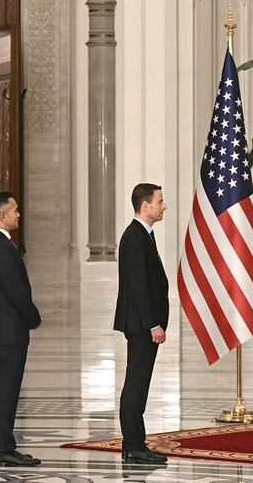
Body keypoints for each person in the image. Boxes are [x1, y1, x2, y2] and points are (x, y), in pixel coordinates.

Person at [0, 192, 42, 467]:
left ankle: (1, 445)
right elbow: (16, 291)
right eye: (15, 210)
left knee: (4, 388)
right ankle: (1, 448)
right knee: (5, 389)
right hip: (8, 329)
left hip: (5, 328)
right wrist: (33, 317)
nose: (19, 214)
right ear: (2, 216)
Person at [113, 183, 170, 465]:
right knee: (136, 384)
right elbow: (138, 287)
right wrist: (152, 324)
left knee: (140, 383)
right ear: (145, 205)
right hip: (140, 324)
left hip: (143, 323)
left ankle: (136, 442)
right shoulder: (135, 237)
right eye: (159, 201)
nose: (164, 206)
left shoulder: (144, 234)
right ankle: (133, 444)